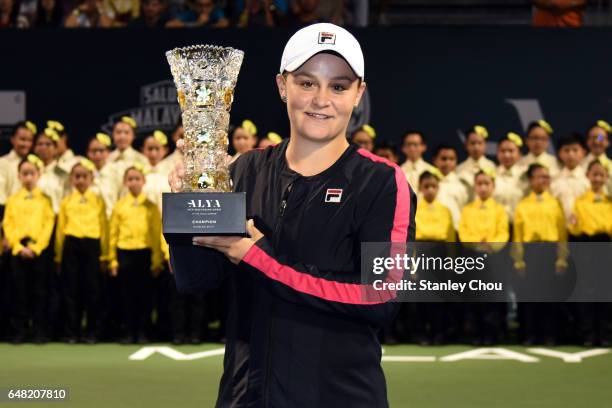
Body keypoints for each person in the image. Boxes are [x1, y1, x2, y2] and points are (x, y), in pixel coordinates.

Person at [168, 22, 415, 407]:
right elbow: (197, 279)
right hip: (244, 396)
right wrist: (186, 208)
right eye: (306, 83)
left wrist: (260, 259)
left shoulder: (381, 182)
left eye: (338, 86)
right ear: (282, 86)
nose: (321, 99)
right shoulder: (244, 170)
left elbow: (381, 298)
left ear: (358, 94)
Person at [512, 163, 567, 346]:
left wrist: (561, 258)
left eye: (546, 177)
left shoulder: (554, 203)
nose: (543, 180)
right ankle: (529, 334)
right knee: (529, 297)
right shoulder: (523, 204)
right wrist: (519, 261)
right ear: (531, 180)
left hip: (550, 252)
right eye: (539, 177)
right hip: (530, 252)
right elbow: (518, 235)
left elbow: (561, 234)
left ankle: (549, 334)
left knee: (550, 297)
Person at [55, 158, 108, 344]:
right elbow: (61, 229)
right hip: (71, 246)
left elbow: (104, 227)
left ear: (91, 178)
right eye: (77, 176)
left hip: (92, 246)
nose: (80, 180)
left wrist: (105, 255)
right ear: (71, 179)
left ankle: (92, 332)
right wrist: (58, 256)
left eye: (84, 176)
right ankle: (72, 331)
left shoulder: (98, 201)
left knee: (92, 290)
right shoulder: (66, 201)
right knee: (71, 291)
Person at [3, 155, 54, 343]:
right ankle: (20, 331)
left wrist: (36, 247)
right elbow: (8, 225)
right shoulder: (13, 200)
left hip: (38, 251)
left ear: (38, 175)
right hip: (18, 251)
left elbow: (48, 225)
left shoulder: (45, 200)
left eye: (32, 173)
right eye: (25, 174)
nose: (28, 177)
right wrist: (17, 246)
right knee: (19, 292)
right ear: (18, 176)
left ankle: (40, 330)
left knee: (39, 292)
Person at [109, 165, 162, 344]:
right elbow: (113, 234)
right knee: (126, 296)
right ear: (125, 182)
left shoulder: (151, 207)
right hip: (124, 253)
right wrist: (112, 260)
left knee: (145, 296)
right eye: (130, 179)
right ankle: (128, 331)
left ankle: (144, 331)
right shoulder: (119, 206)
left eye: (137, 178)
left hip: (144, 254)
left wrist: (156, 260)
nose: (133, 182)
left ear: (143, 181)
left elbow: (156, 234)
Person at [458, 169, 509, 345]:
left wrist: (491, 245)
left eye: (487, 183)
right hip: (472, 257)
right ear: (475, 187)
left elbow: (503, 233)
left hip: (493, 258)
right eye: (479, 184)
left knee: (492, 297)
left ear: (493, 186)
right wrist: (476, 243)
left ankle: (492, 333)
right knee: (474, 296)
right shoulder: (467, 209)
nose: (483, 188)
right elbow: (463, 232)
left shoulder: (500, 210)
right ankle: (475, 333)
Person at [568, 160, 612, 347]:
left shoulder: (610, 202)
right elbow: (575, 228)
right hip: (586, 245)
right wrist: (574, 224)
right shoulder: (580, 201)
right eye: (594, 174)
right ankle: (587, 334)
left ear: (606, 178)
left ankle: (606, 334)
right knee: (586, 291)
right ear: (587, 176)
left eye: (601, 175)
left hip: (606, 244)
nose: (597, 178)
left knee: (606, 292)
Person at [412, 169, 454, 345]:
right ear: (420, 188)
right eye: (426, 186)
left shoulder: (445, 210)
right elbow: (411, 238)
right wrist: (412, 265)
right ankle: (420, 333)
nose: (430, 190)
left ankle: (439, 333)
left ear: (438, 188)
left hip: (440, 253)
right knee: (420, 298)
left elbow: (451, 238)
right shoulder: (413, 209)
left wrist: (452, 262)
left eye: (433, 186)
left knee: (439, 296)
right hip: (420, 252)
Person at [550, 134, 589, 228]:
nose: (571, 154)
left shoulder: (589, 179)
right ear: (560, 153)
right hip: (560, 229)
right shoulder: (553, 180)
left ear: (583, 153)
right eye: (566, 150)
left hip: (585, 230)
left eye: (575, 150)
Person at [0, 120, 36, 217]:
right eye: (22, 139)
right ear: (12, 139)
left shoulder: (36, 163)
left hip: (34, 218)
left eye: (30, 140)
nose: (26, 144)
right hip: (10, 216)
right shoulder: (3, 163)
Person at [432, 144, 469, 229]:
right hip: (432, 230)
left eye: (451, 159)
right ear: (435, 160)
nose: (447, 162)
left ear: (456, 162)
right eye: (443, 158)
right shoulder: (428, 182)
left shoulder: (462, 185)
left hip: (455, 230)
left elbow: (465, 210)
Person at [494, 132, 527, 223]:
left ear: (519, 154)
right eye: (503, 151)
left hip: (520, 225)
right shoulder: (491, 175)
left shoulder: (526, 175)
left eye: (511, 151)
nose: (506, 155)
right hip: (496, 227)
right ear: (497, 153)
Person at [456, 125, 496, 190]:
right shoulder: (459, 169)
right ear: (466, 145)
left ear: (485, 144)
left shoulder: (493, 166)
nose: (476, 147)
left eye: (480, 143)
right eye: (472, 143)